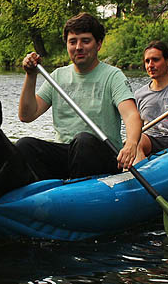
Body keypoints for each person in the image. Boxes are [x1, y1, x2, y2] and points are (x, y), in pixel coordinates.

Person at [16, 12, 143, 180]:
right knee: (25, 145)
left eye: (85, 41)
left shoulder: (113, 76)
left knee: (83, 141)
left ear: (98, 44)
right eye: (73, 42)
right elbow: (27, 115)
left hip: (101, 155)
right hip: (68, 155)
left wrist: (132, 143)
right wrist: (30, 75)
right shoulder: (57, 76)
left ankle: (76, 195)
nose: (78, 47)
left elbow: (131, 114)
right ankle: (45, 193)